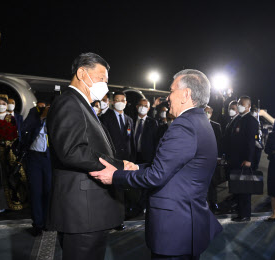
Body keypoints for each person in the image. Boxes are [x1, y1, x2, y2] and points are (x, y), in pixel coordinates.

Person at [90, 69, 223, 260]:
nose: (167, 98)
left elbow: (157, 176)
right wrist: (136, 167)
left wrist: (114, 177)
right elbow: (174, 168)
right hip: (187, 222)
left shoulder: (184, 125)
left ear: (186, 94)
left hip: (174, 227)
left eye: (171, 91)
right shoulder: (200, 121)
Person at [46, 53, 127, 260]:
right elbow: (72, 150)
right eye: (101, 79)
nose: (105, 85)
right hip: (82, 212)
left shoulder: (83, 105)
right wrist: (118, 165)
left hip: (90, 211)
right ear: (82, 73)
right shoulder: (69, 103)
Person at [21, 100, 52, 236]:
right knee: (35, 191)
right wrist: (41, 117)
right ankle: (37, 224)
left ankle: (47, 221)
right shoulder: (34, 113)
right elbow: (25, 129)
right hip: (34, 157)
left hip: (49, 159)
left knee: (48, 191)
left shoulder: (56, 114)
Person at [229, 96, 259, 222]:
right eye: (239, 103)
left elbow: (251, 142)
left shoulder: (250, 120)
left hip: (244, 160)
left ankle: (245, 214)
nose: (239, 105)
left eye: (242, 104)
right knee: (238, 186)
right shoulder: (240, 119)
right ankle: (240, 211)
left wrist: (249, 159)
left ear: (248, 106)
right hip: (236, 159)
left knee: (244, 188)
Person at [100, 91, 135, 162]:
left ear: (126, 102)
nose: (120, 103)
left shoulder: (129, 120)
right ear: (112, 102)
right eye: (117, 100)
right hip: (112, 157)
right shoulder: (105, 118)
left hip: (127, 158)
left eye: (122, 100)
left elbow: (132, 140)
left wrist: (133, 158)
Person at [204, 105, 222, 213]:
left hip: (212, 159)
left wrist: (218, 156)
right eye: (205, 111)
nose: (207, 114)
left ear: (212, 113)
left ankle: (213, 203)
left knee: (212, 183)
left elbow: (219, 142)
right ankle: (201, 204)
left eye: (208, 112)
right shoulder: (196, 125)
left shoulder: (216, 126)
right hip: (199, 159)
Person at [134, 98, 159, 164]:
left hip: (146, 157)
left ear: (148, 109)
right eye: (141, 105)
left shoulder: (153, 123)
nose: (143, 108)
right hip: (132, 156)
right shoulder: (131, 120)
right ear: (137, 107)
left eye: (145, 106)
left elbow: (155, 141)